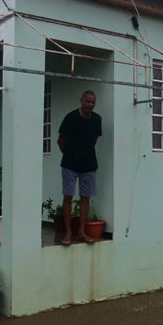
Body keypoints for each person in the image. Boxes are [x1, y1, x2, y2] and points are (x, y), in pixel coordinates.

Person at [57, 90, 102, 245]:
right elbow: (60, 141)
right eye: (87, 101)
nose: (90, 104)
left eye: (93, 102)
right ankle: (68, 233)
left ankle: (82, 231)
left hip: (89, 165)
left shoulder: (97, 120)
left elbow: (93, 141)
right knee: (68, 196)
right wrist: (70, 155)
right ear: (81, 100)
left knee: (85, 198)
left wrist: (84, 156)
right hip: (70, 164)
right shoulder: (70, 118)